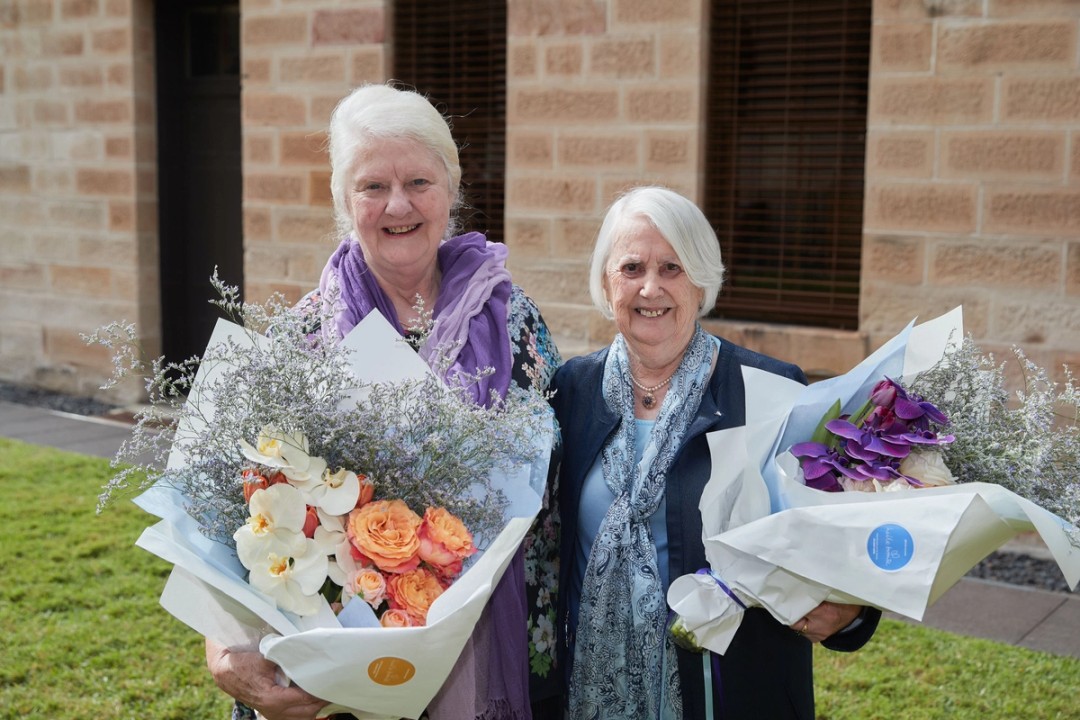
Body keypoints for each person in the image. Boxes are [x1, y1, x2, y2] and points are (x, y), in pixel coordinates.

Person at [205, 83, 562, 720]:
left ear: (450, 192)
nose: (398, 204)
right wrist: (223, 645)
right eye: (373, 186)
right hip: (333, 665)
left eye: (419, 181)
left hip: (483, 648)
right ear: (345, 202)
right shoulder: (299, 340)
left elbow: (553, 492)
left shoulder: (516, 326)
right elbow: (232, 507)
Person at [550, 186, 880, 719]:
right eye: (631, 267)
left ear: (702, 279)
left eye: (673, 268)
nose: (650, 287)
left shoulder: (768, 391)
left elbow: (830, 539)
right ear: (606, 283)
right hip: (589, 696)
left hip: (732, 694)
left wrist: (853, 612)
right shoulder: (571, 390)